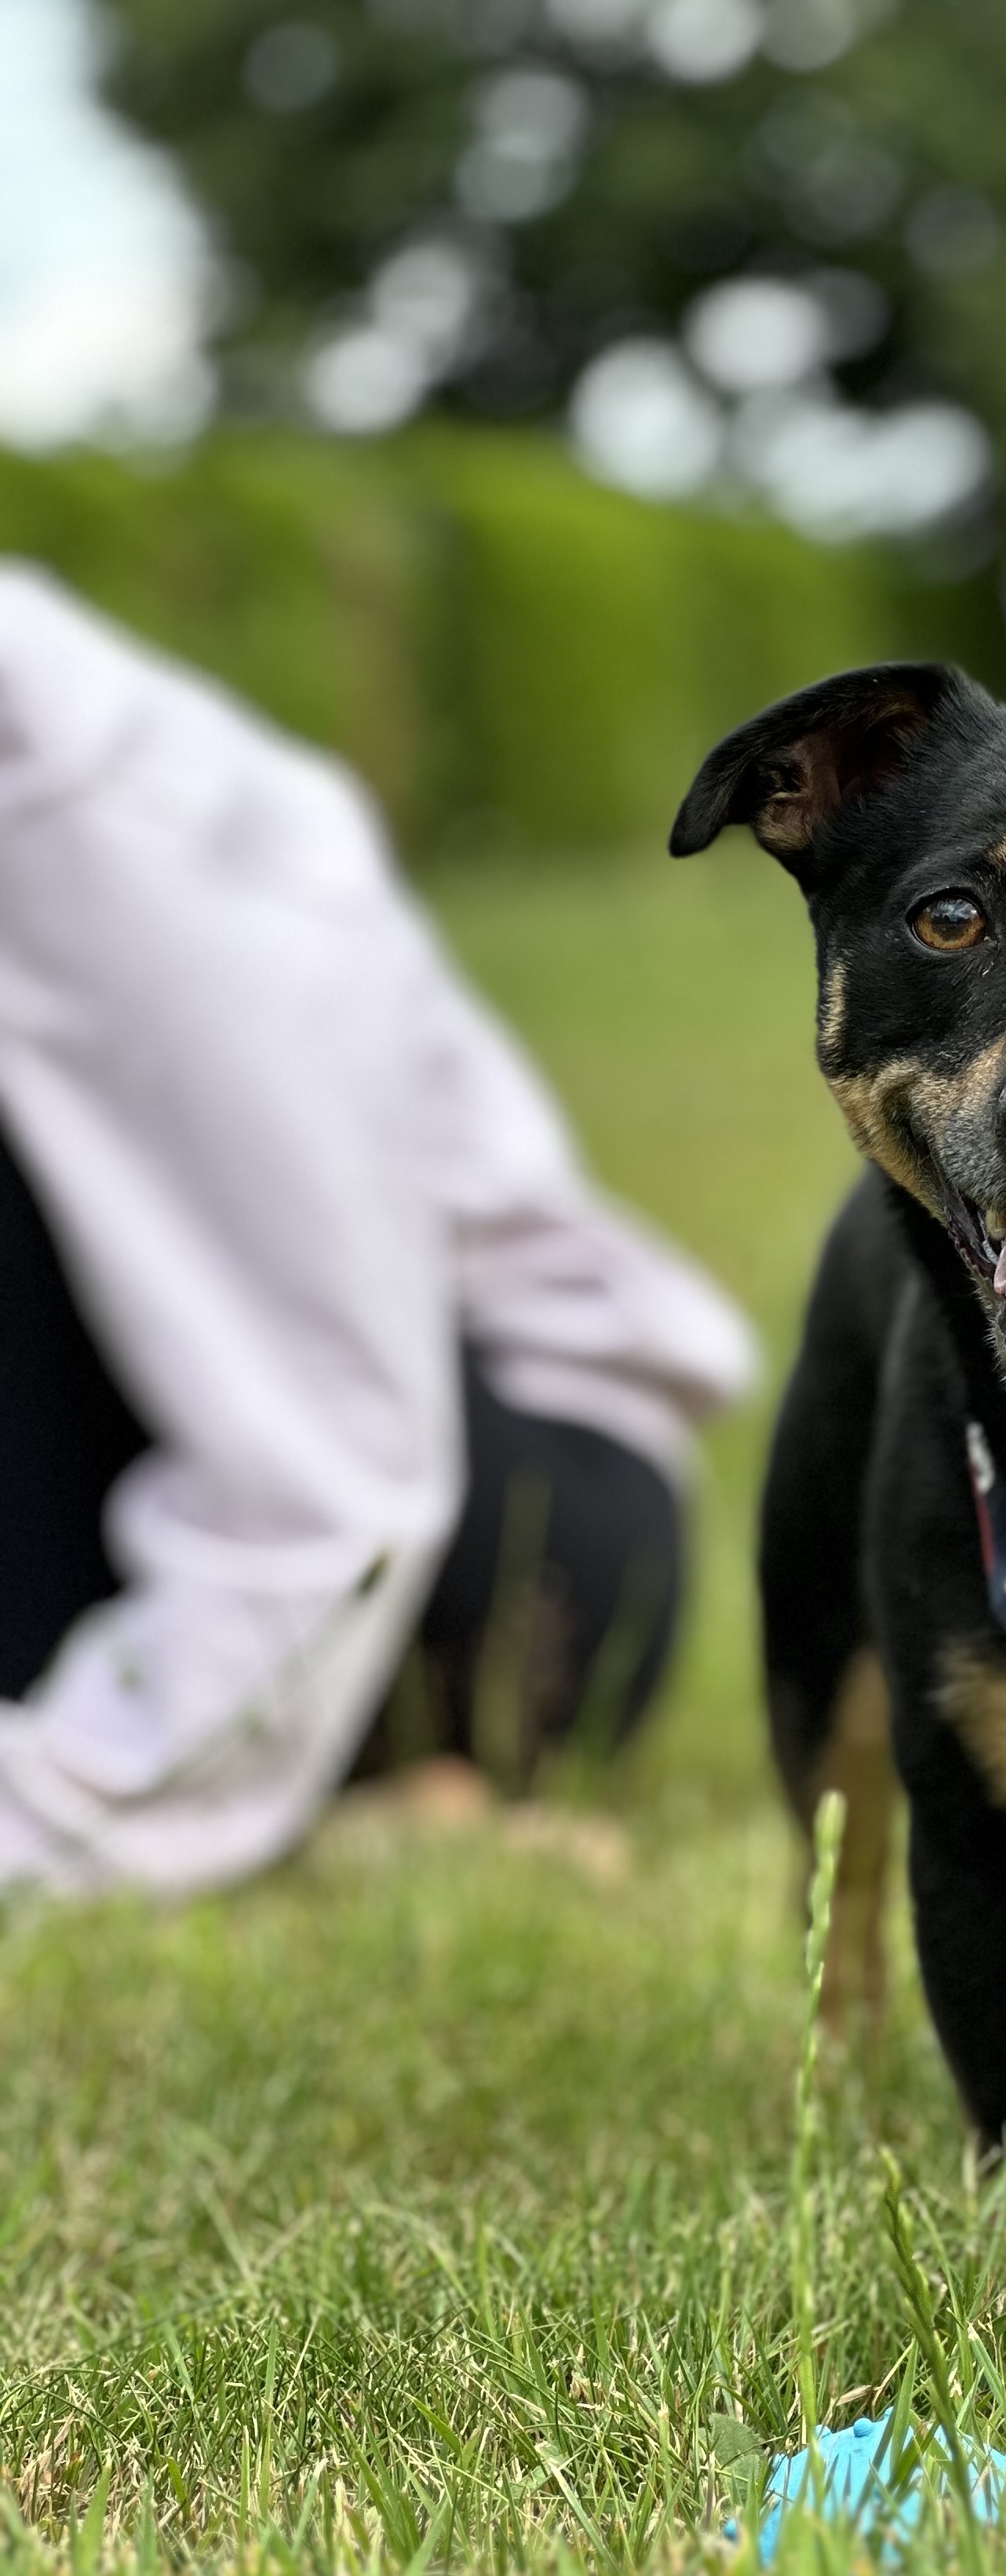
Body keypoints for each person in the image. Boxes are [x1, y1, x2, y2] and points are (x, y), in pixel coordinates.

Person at [0, 562, 757, 1896]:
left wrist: (56, 1815)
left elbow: (329, 1472)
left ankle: (370, 1781)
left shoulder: (128, 830)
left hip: (500, 1533)